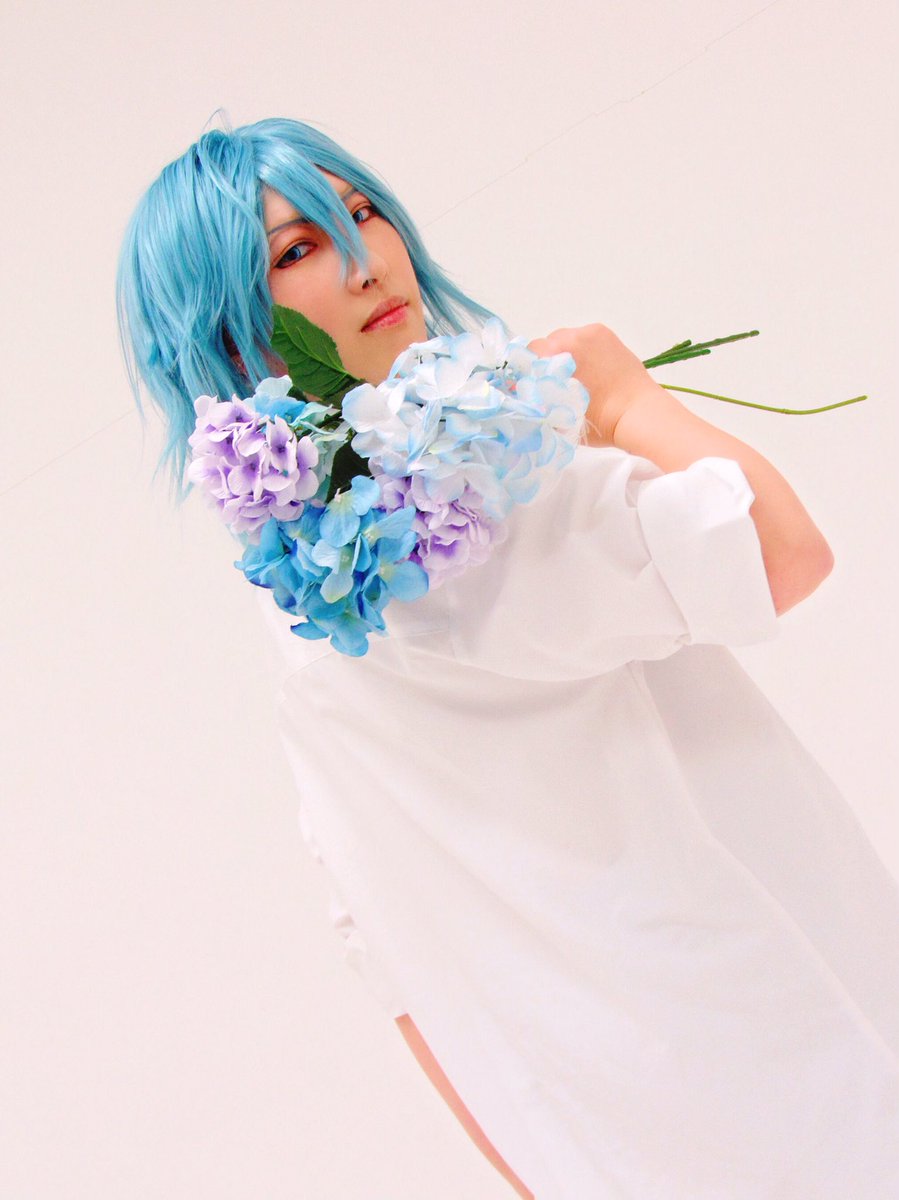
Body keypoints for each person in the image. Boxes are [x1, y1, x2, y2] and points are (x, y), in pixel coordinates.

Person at [117, 116, 899, 1200]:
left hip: (619, 1131)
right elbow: (782, 552)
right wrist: (623, 397)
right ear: (228, 328)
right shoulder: (475, 515)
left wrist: (545, 1171)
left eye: (360, 213)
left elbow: (384, 948)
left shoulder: (301, 596)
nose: (363, 261)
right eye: (296, 250)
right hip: (785, 1057)